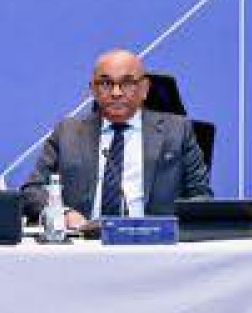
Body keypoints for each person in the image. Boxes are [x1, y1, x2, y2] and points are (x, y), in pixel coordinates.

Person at [22, 49, 212, 227]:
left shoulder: (177, 131)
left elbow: (200, 196)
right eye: (106, 84)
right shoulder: (67, 132)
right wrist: (63, 214)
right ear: (93, 90)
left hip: (154, 241)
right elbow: (32, 190)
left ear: (144, 88)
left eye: (127, 83)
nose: (116, 93)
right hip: (84, 240)